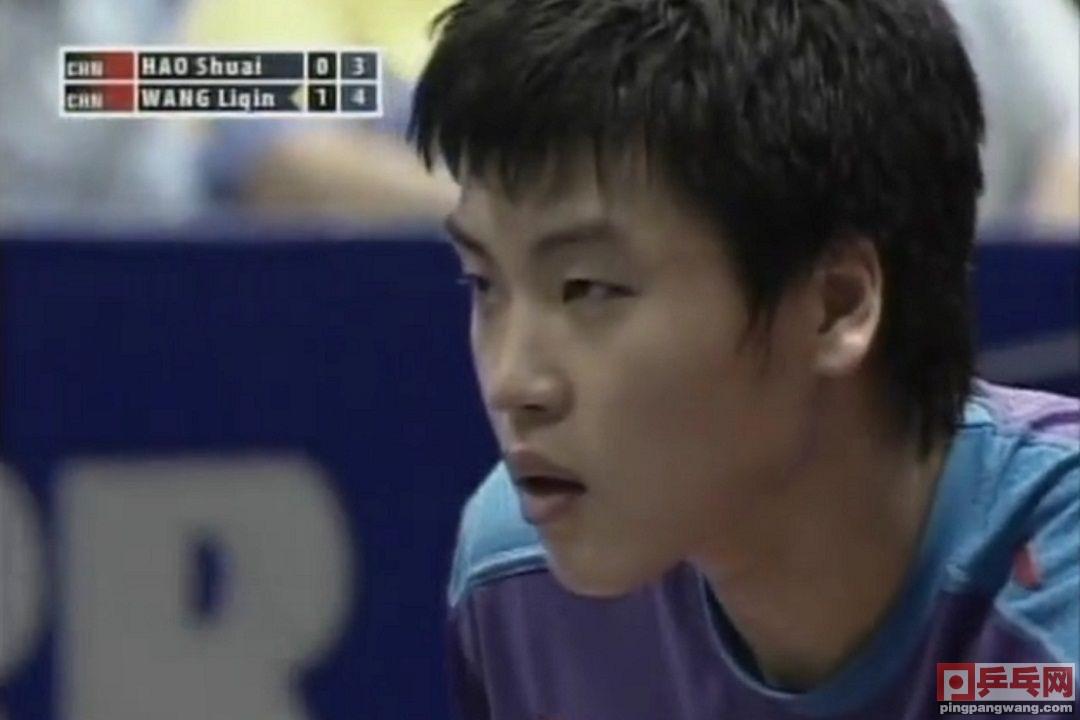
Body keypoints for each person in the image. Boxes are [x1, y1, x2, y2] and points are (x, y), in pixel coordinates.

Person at [408, 1, 1080, 718]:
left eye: (588, 288)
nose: (512, 382)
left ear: (836, 305)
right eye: (484, 284)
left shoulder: (1057, 599)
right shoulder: (516, 579)